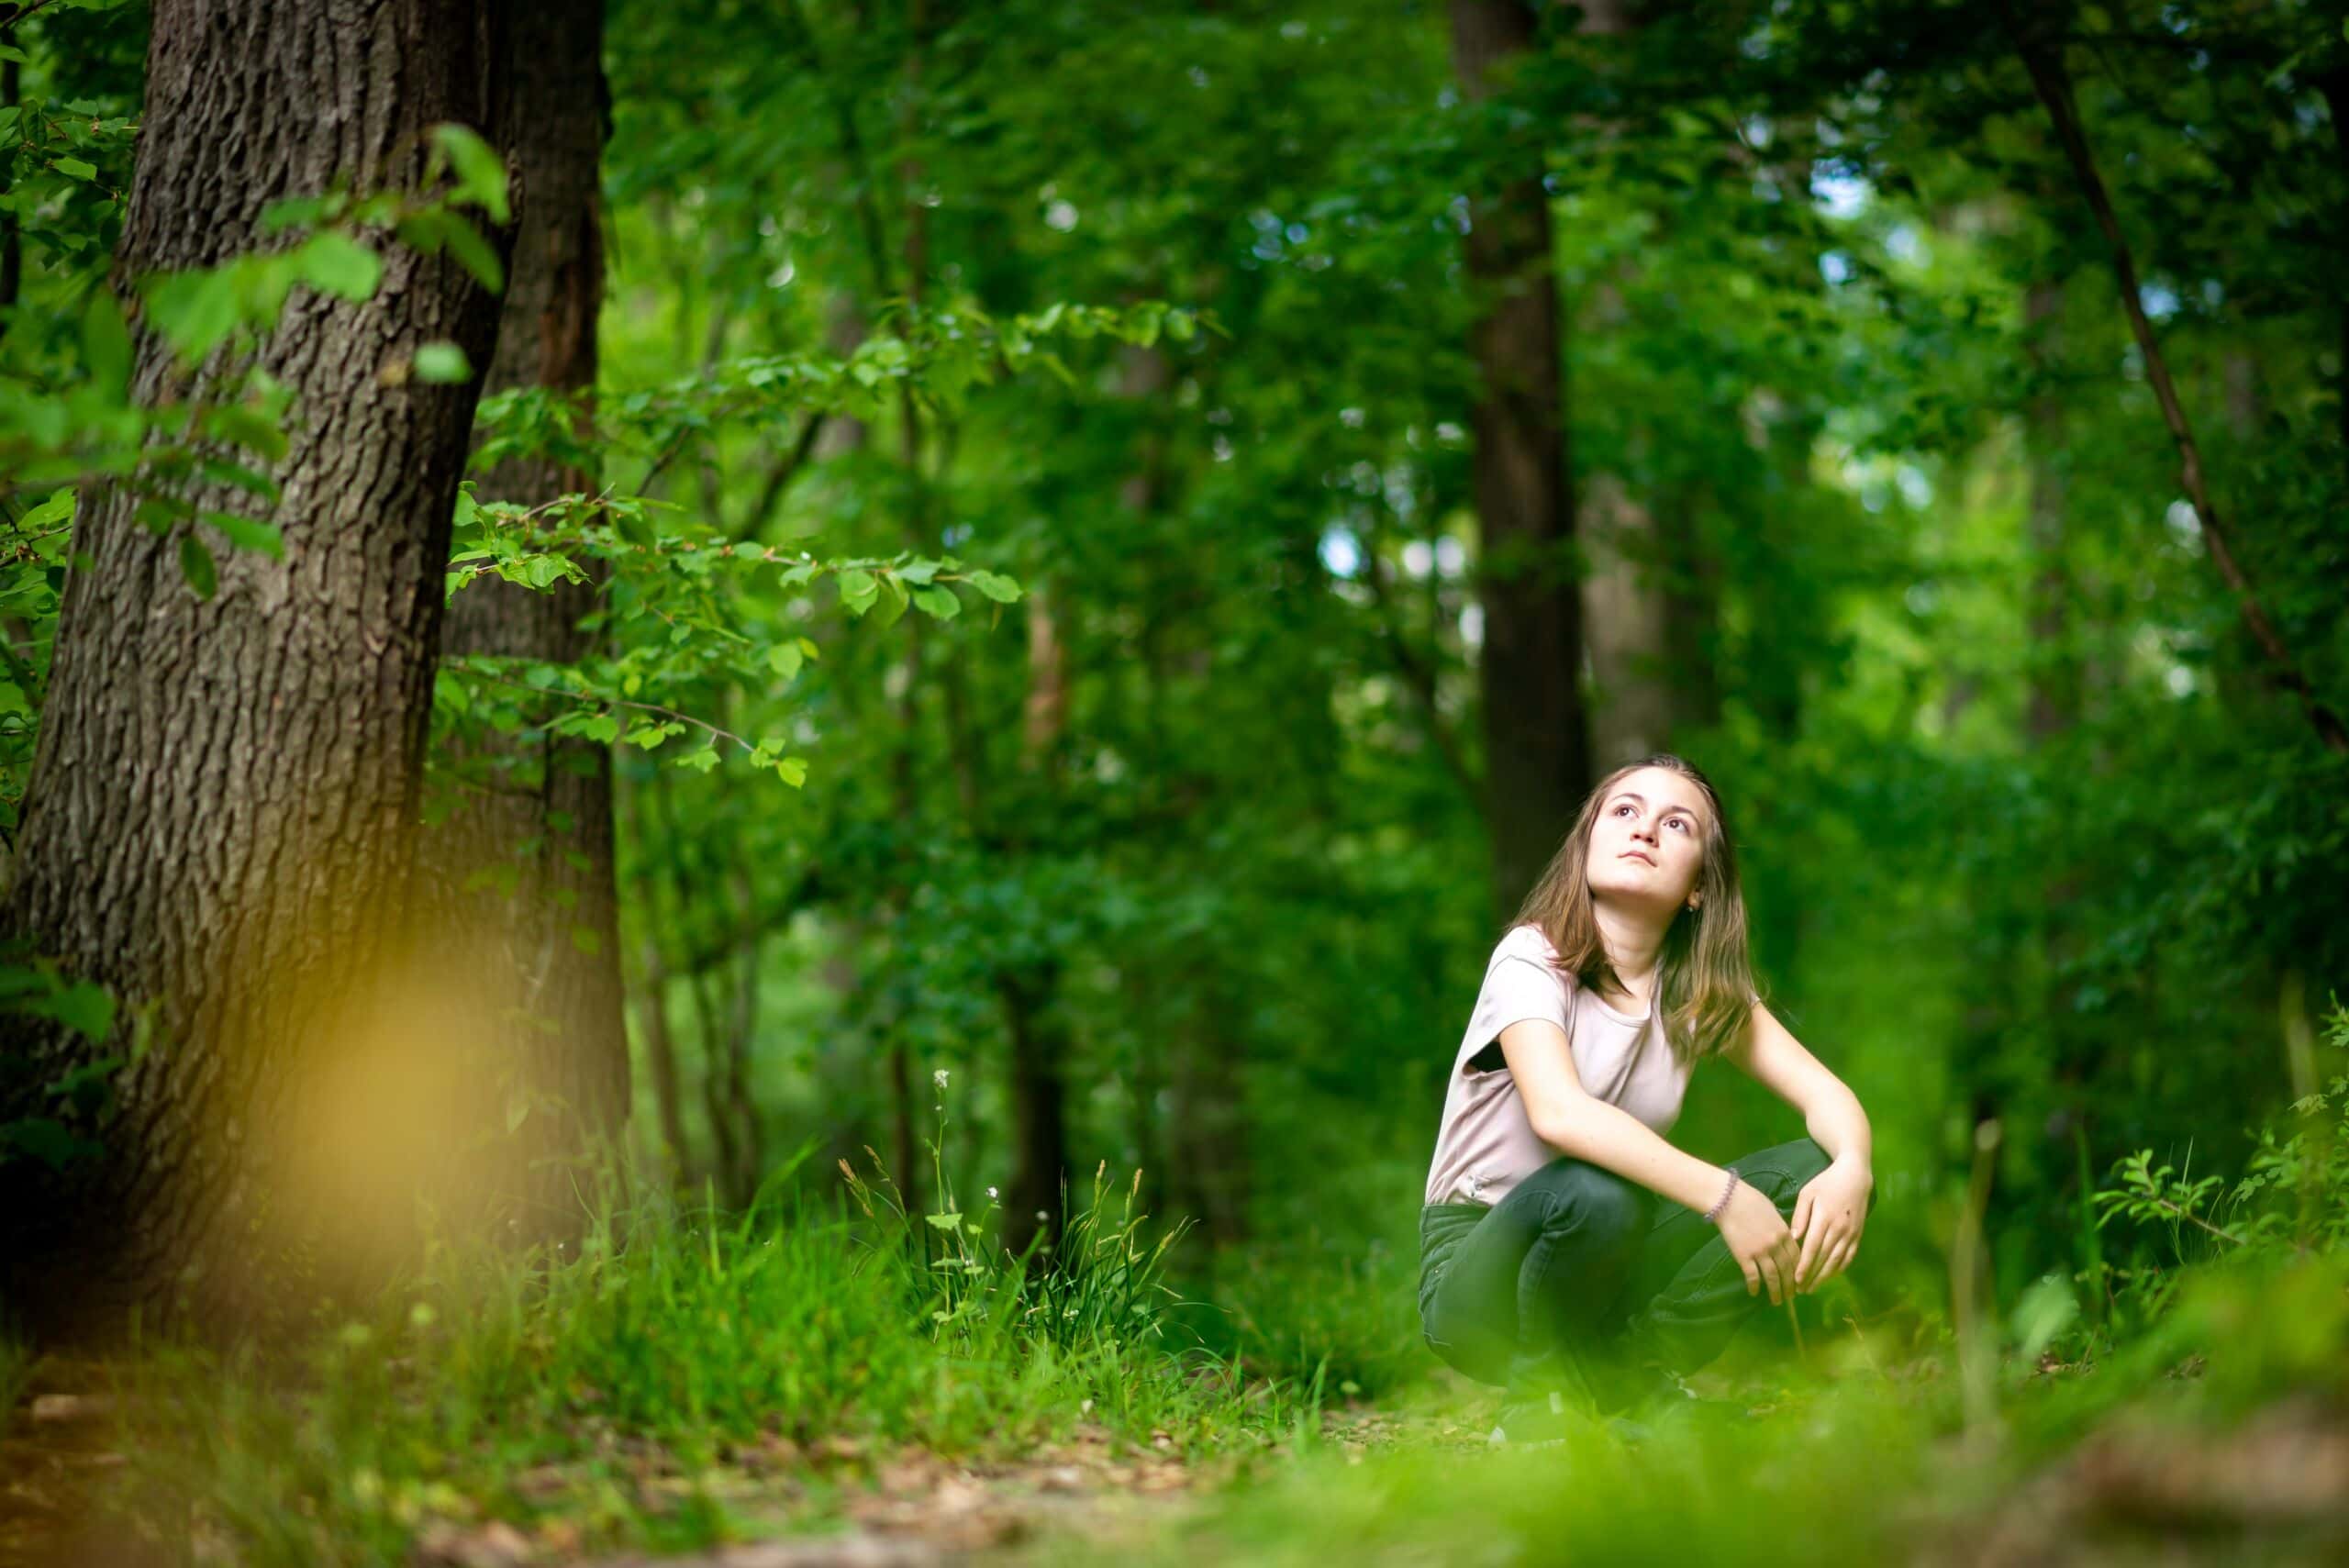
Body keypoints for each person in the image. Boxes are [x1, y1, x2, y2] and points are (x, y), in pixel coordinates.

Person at [1419, 753, 1878, 1446]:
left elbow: (1825, 1094)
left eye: (1676, 823)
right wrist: (1725, 1195)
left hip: (1611, 1258)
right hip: (1477, 1272)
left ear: (1698, 886)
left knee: (1818, 1171)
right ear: (1588, 843)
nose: (1645, 831)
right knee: (1598, 1189)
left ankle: (1629, 1368)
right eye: (1625, 811)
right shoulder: (1530, 958)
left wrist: (1855, 1166)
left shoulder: (1695, 992)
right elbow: (1560, 1114)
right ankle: (1537, 1400)